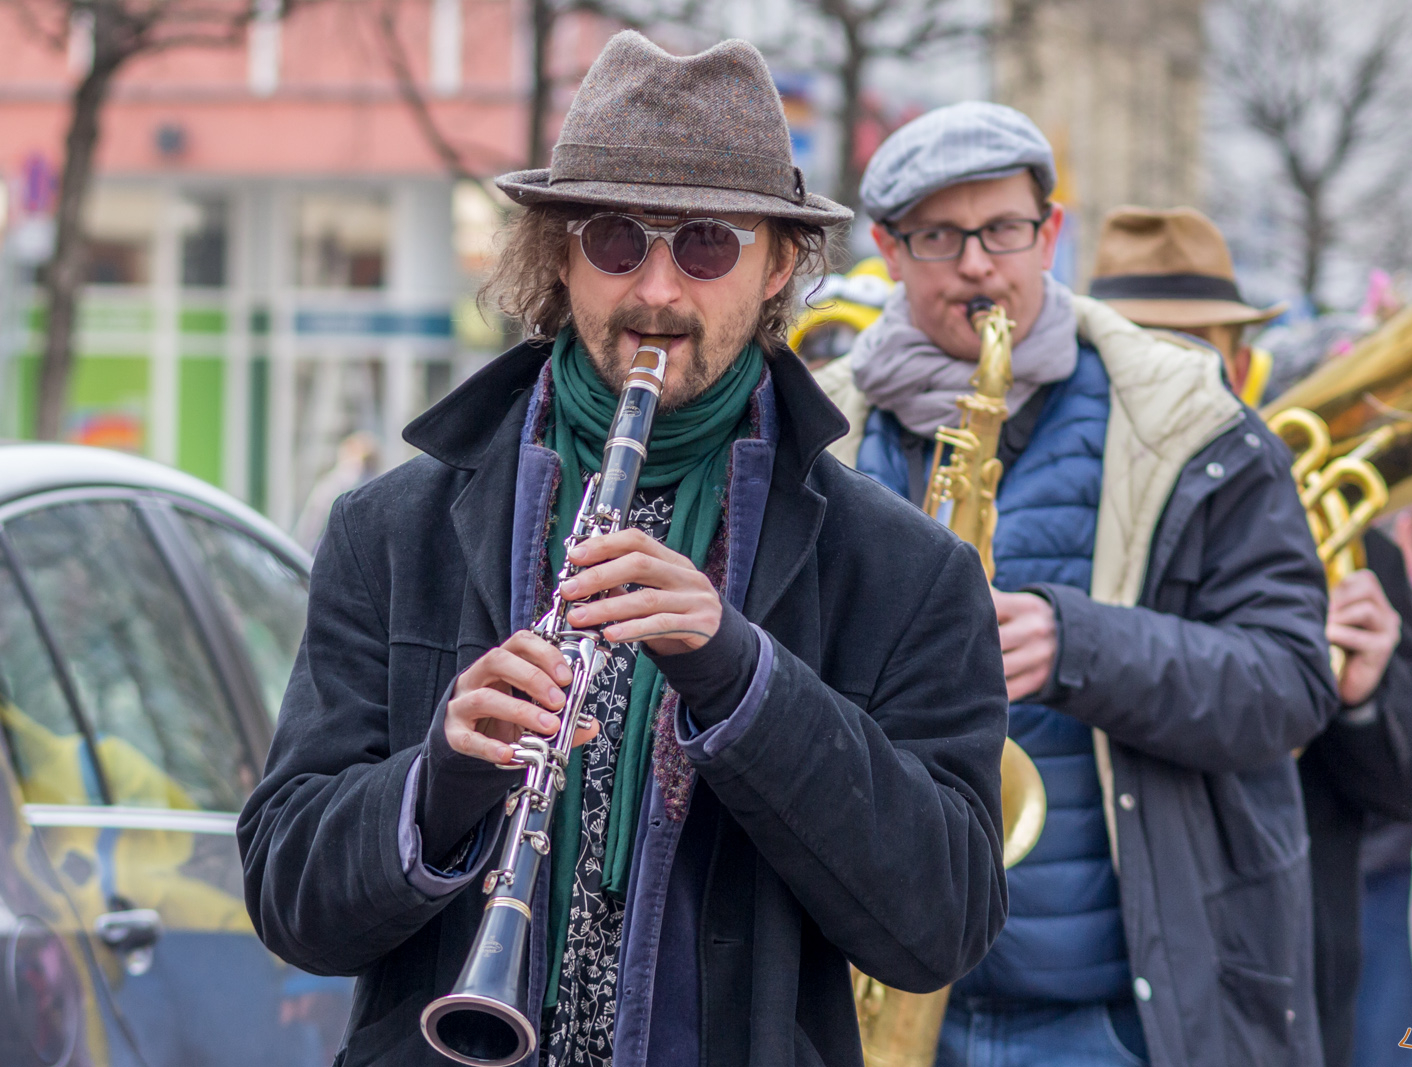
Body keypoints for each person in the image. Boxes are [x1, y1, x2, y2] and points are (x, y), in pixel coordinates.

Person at [237, 33, 1011, 1067]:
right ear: (559, 252)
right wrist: (439, 782)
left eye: (704, 244)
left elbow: (943, 923)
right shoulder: (393, 527)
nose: (655, 290)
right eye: (612, 239)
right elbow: (291, 901)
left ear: (779, 261)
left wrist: (745, 680)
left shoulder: (901, 569)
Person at [849, 104, 1340, 1067]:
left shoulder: (1193, 421)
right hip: (875, 996)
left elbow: (1291, 684)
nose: (980, 266)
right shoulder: (818, 430)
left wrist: (1077, 644)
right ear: (888, 249)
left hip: (1112, 1017)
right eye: (940, 237)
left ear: (1052, 233)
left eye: (1004, 231)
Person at [1086, 205, 1412, 1067]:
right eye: (1142, 345)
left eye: (1197, 351)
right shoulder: (1046, 511)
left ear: (1239, 362)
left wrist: (1370, 695)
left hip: (1286, 992)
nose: (1169, 374)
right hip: (1096, 992)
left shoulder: (1331, 524)